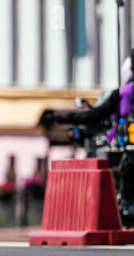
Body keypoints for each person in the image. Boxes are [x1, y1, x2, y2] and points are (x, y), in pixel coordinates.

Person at [44, 50, 134, 222]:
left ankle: (126, 204)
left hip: (125, 149)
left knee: (123, 166)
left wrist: (62, 117)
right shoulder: (121, 95)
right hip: (125, 148)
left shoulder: (122, 94)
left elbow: (94, 115)